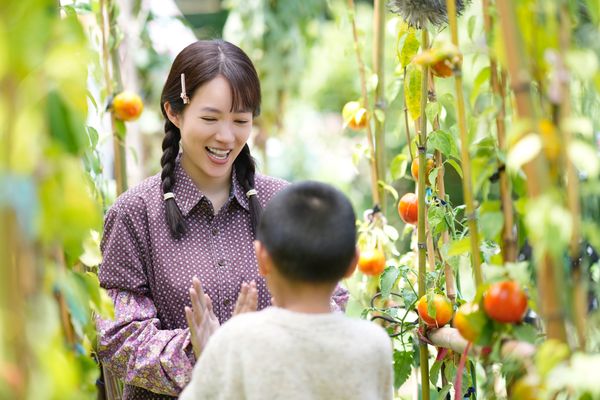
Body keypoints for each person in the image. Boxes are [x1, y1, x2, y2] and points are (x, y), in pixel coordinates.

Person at [96, 40, 347, 399]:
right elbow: (118, 334)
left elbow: (331, 298)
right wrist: (200, 351)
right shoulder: (134, 214)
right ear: (174, 112)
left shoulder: (283, 203)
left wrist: (262, 338)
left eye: (241, 120)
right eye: (210, 118)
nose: (227, 137)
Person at [180, 181, 394, 400]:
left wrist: (212, 355)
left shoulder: (236, 339)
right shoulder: (374, 345)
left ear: (262, 258)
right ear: (353, 263)